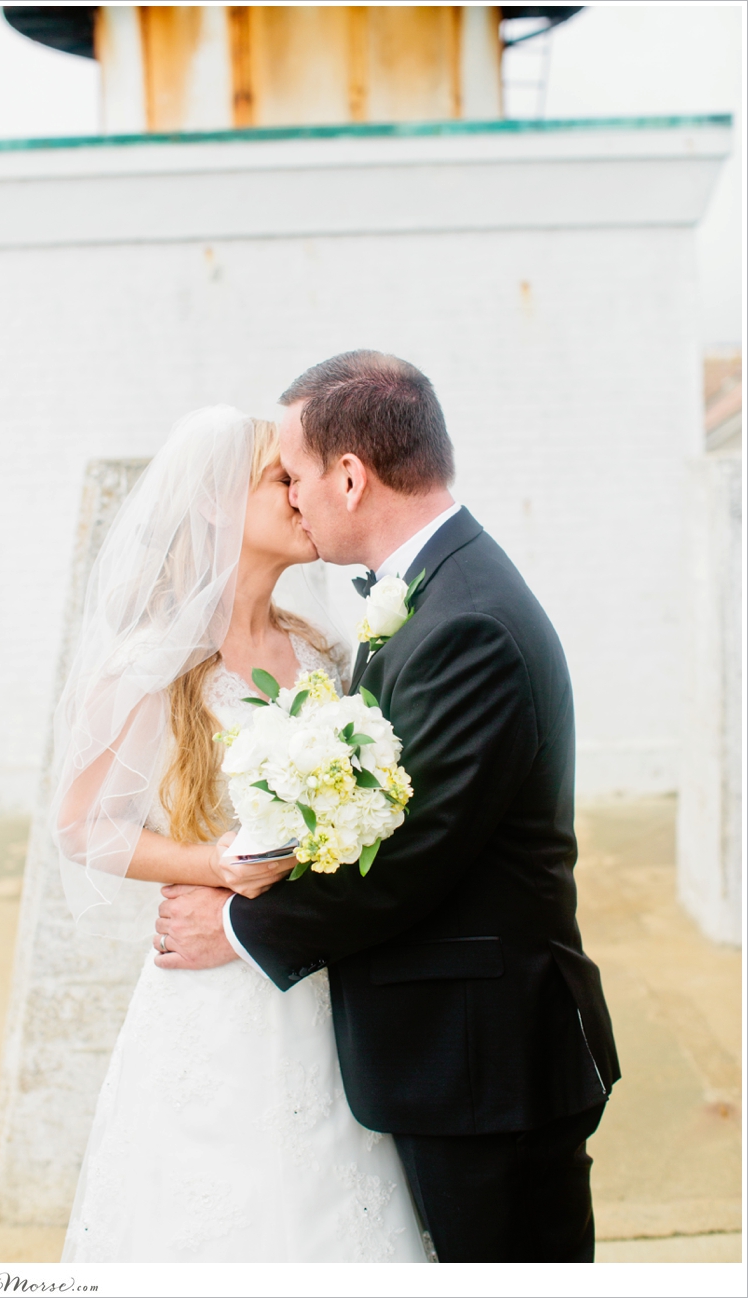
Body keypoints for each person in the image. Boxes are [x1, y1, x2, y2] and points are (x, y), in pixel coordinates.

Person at [156, 353, 621, 1263]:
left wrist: (241, 929)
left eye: (294, 475)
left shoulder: (465, 622)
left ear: (350, 477)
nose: (291, 496)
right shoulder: (433, 593)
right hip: (462, 1057)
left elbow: (416, 857)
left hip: (488, 1064)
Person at [54, 407, 428, 1263]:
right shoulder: (154, 663)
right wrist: (209, 863)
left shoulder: (321, 647)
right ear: (220, 502)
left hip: (330, 989)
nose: (302, 497)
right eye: (280, 480)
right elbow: (81, 826)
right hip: (214, 1003)